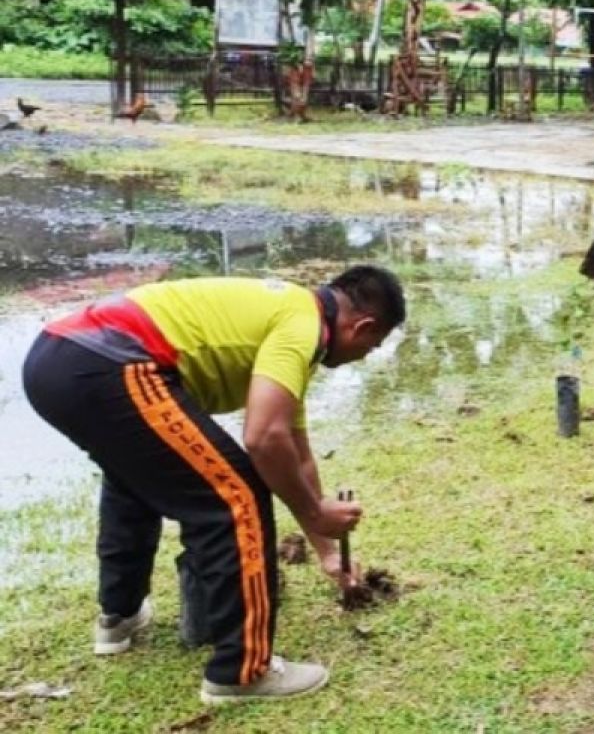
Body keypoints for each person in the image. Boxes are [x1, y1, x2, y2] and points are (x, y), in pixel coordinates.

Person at [22, 266, 405, 703]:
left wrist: (327, 551)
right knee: (236, 494)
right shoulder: (302, 325)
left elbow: (294, 448)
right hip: (111, 360)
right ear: (363, 326)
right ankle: (242, 671)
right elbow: (263, 438)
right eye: (371, 347)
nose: (366, 354)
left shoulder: (288, 313)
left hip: (57, 357)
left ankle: (119, 616)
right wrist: (317, 512)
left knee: (134, 482)